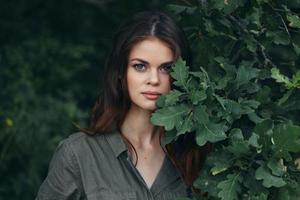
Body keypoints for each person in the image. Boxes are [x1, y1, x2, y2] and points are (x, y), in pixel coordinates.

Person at [36, 10, 211, 200]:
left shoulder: (198, 154)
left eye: (166, 68)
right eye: (140, 66)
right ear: (120, 71)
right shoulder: (78, 154)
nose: (153, 79)